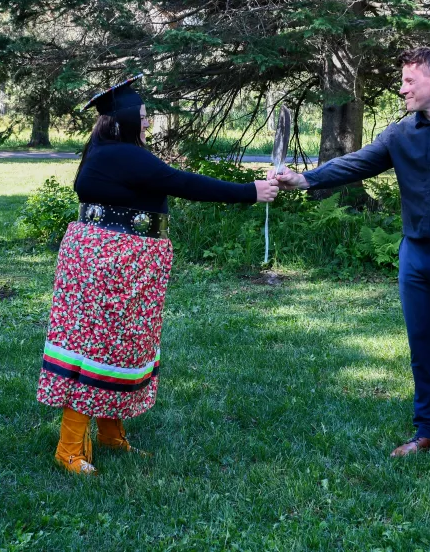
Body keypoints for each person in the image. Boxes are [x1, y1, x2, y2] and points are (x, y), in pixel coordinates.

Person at [271, 48, 430, 475]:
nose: (402, 89)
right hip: (416, 256)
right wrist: (305, 179)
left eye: (409, 81)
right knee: (423, 348)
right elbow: (357, 163)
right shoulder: (401, 132)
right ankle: (429, 431)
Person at [36, 75, 279, 475]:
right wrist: (249, 191)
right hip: (114, 259)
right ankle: (68, 449)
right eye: (144, 117)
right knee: (96, 347)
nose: (147, 123)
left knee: (118, 345)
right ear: (125, 120)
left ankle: (111, 435)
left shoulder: (111, 150)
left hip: (120, 258)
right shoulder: (121, 154)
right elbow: (181, 182)